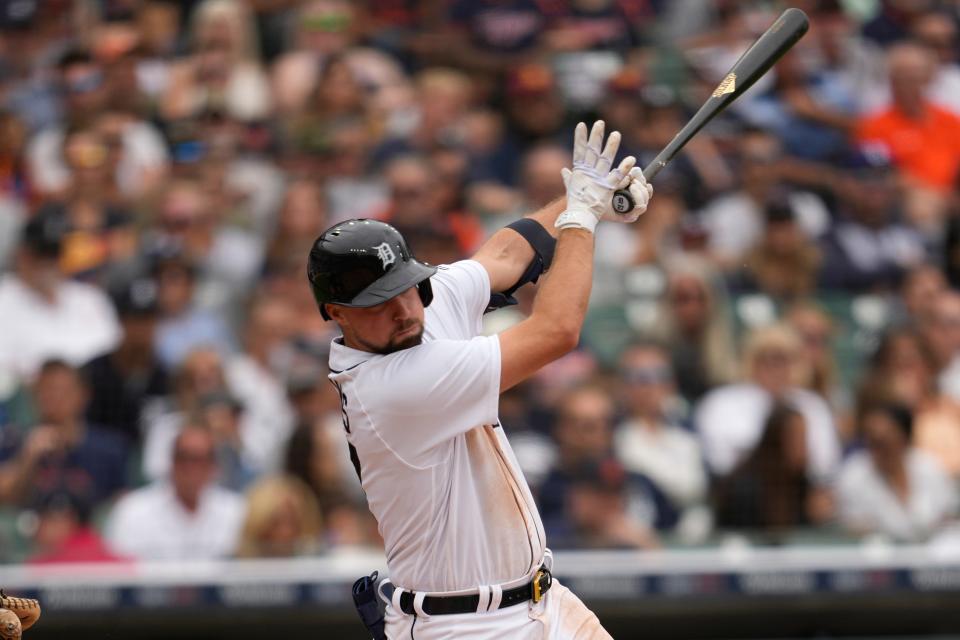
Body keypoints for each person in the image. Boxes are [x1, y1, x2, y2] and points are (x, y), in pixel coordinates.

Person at [308, 120, 651, 638]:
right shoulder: (386, 387)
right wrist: (581, 218)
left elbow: (507, 255)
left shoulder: (415, 308)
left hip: (544, 598)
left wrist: (585, 194)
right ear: (338, 313)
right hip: (465, 625)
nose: (403, 309)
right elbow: (556, 331)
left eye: (405, 288)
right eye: (378, 303)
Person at [104, 424, 246, 560]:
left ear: (214, 466)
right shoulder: (132, 510)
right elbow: (119, 574)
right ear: (171, 461)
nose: (190, 468)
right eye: (183, 458)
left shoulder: (236, 511)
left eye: (199, 460)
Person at [836, 403, 957, 543]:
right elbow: (855, 529)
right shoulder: (853, 475)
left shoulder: (929, 466)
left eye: (885, 439)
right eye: (873, 440)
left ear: (904, 438)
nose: (878, 446)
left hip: (934, 557)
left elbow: (948, 517)